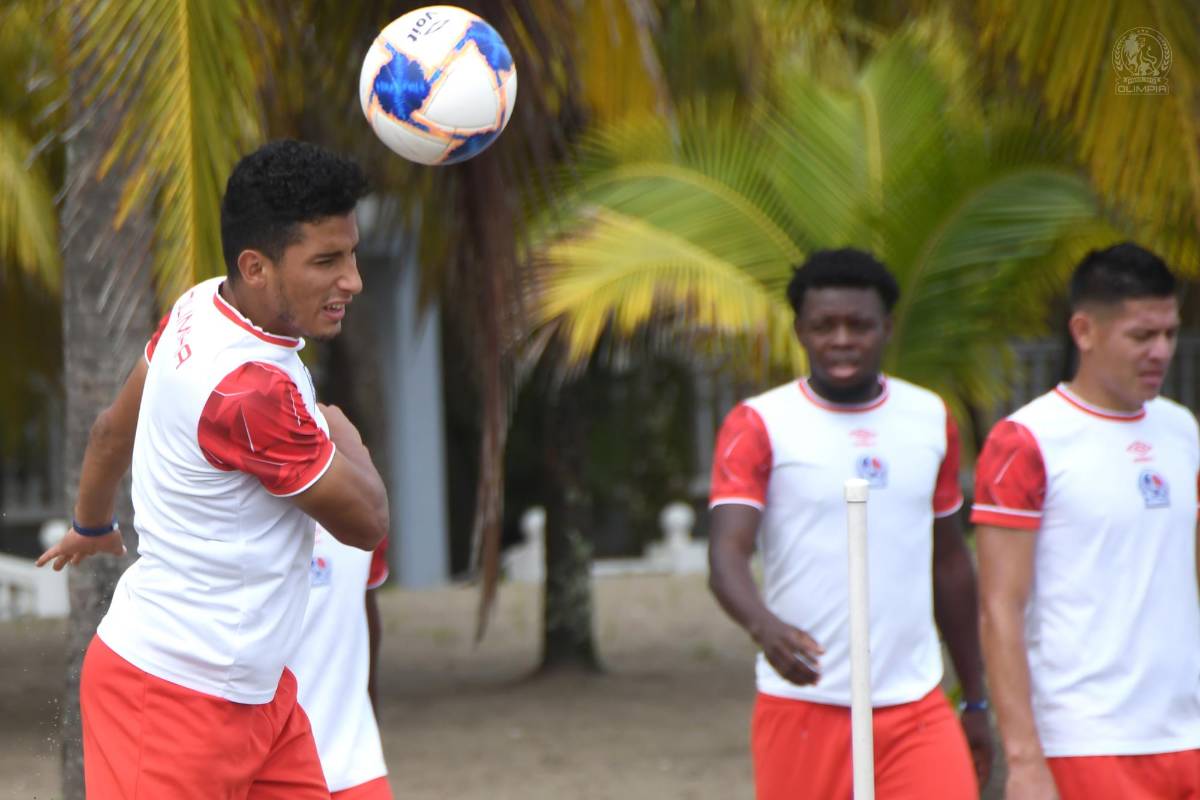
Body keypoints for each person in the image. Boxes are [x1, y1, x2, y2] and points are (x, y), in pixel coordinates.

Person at [37, 139, 389, 799]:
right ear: (256, 266)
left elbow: (112, 428)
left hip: (261, 697)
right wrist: (346, 437)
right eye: (326, 261)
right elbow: (368, 522)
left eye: (352, 253)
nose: (353, 280)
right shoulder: (250, 394)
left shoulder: (202, 306)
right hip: (167, 699)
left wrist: (91, 524)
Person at [707, 248, 992, 799]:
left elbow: (951, 563)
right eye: (824, 326)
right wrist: (764, 627)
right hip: (807, 706)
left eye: (859, 325)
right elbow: (726, 557)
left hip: (916, 705)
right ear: (800, 331)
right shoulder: (761, 423)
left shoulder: (929, 418)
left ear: (886, 327)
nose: (842, 339)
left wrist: (975, 698)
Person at [973, 242, 1200, 800]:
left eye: (1169, 334)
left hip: (1187, 735)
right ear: (1084, 331)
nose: (1161, 351)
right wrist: (1024, 761)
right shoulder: (1025, 440)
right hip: (1086, 744)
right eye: (1142, 336)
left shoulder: (1182, 429)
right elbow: (999, 608)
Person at [290, 527, 394, 799]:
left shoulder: (365, 501)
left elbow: (365, 607)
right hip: (255, 768)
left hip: (356, 765)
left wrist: (370, 717)